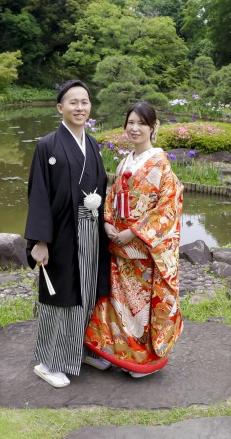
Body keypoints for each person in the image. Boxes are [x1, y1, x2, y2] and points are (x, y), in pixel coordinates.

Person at [83, 102, 184, 378]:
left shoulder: (161, 163)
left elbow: (167, 208)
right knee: (121, 307)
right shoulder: (126, 160)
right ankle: (124, 356)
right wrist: (106, 221)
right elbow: (113, 196)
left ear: (154, 127)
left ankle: (144, 361)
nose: (135, 128)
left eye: (142, 123)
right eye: (131, 122)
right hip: (120, 246)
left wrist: (135, 232)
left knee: (142, 311)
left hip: (143, 249)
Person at [24, 79, 110, 388]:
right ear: (60, 107)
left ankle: (79, 349)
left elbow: (101, 185)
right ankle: (47, 362)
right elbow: (38, 194)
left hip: (90, 229)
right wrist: (39, 241)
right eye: (73, 102)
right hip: (60, 232)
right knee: (58, 293)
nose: (80, 108)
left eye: (85, 102)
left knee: (85, 291)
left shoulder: (93, 143)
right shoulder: (48, 144)